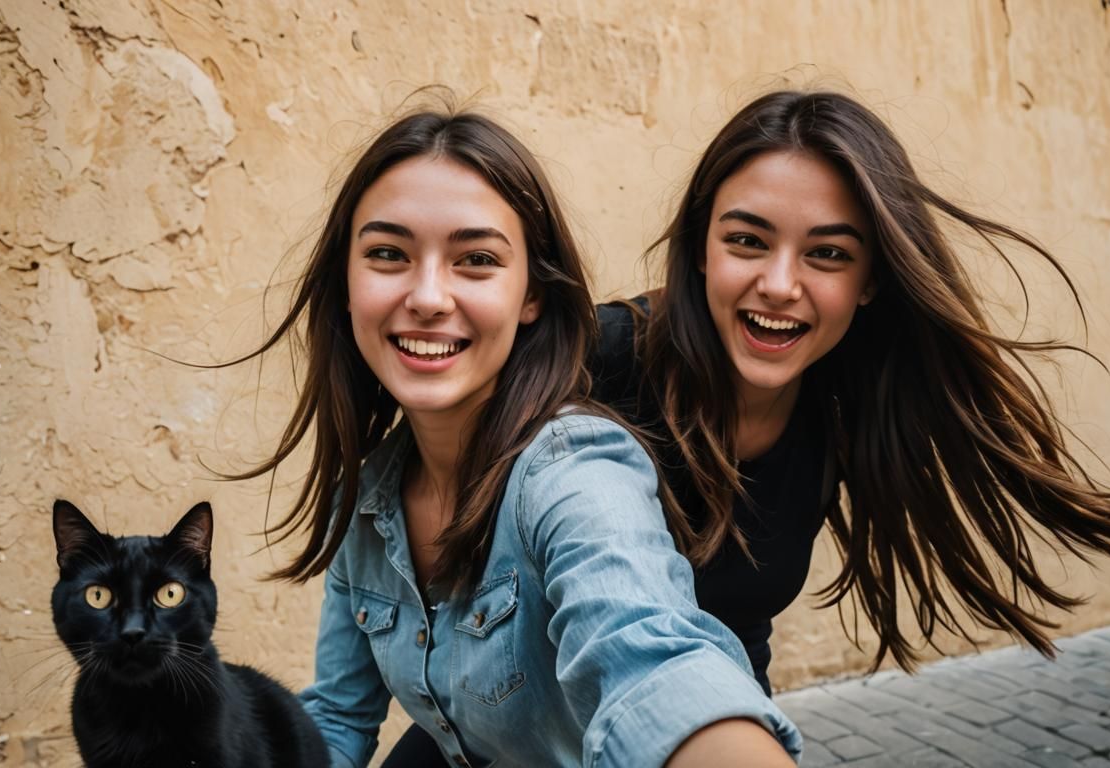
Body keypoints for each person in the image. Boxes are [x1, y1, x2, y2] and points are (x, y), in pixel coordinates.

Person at [384, 89, 1110, 762]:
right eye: (747, 240)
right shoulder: (594, 364)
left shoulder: (845, 412)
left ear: (872, 280)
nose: (779, 284)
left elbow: (738, 634)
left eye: (829, 254)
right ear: (701, 247)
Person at [234, 107, 802, 768]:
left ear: (531, 293)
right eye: (388, 254)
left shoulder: (576, 470)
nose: (427, 296)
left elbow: (650, 659)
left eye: (476, 259)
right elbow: (337, 716)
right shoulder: (362, 501)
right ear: (347, 287)